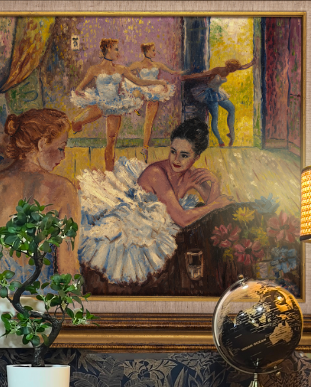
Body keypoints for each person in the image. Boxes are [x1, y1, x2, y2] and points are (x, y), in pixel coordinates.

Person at [76, 118, 231, 285]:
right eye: (173, 151)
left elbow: (216, 206)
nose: (176, 159)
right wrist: (215, 204)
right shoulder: (156, 173)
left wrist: (214, 183)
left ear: (197, 156)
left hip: (160, 219)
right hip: (133, 222)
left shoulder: (190, 173)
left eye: (184, 155)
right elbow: (185, 218)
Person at [0, 109, 80, 289]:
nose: (63, 156)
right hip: (43, 303)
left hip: (0, 301)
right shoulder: (64, 190)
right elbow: (67, 269)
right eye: (61, 148)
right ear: (43, 143)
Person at [70, 38, 168, 171]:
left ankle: (109, 172)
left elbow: (139, 81)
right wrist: (80, 92)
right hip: (100, 102)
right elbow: (79, 87)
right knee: (77, 122)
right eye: (116, 49)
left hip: (115, 104)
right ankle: (77, 125)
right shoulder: (94, 69)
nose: (118, 52)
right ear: (108, 49)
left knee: (111, 140)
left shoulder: (121, 69)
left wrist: (159, 83)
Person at [127, 42, 182, 162]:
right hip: (142, 87)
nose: (154, 53)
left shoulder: (157, 64)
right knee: (136, 93)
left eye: (154, 50)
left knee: (149, 121)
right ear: (146, 52)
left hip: (154, 91)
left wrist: (180, 73)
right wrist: (136, 81)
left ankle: (145, 148)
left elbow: (172, 72)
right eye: (152, 50)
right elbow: (125, 72)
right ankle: (135, 105)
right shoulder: (138, 64)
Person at [182, 57, 254, 147]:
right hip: (210, 95)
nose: (233, 71)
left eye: (235, 69)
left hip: (218, 93)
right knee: (215, 117)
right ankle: (220, 141)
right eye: (232, 68)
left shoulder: (231, 69)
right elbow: (202, 75)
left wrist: (252, 63)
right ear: (228, 66)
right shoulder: (218, 70)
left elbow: (242, 67)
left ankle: (231, 132)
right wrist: (186, 77)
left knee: (231, 108)